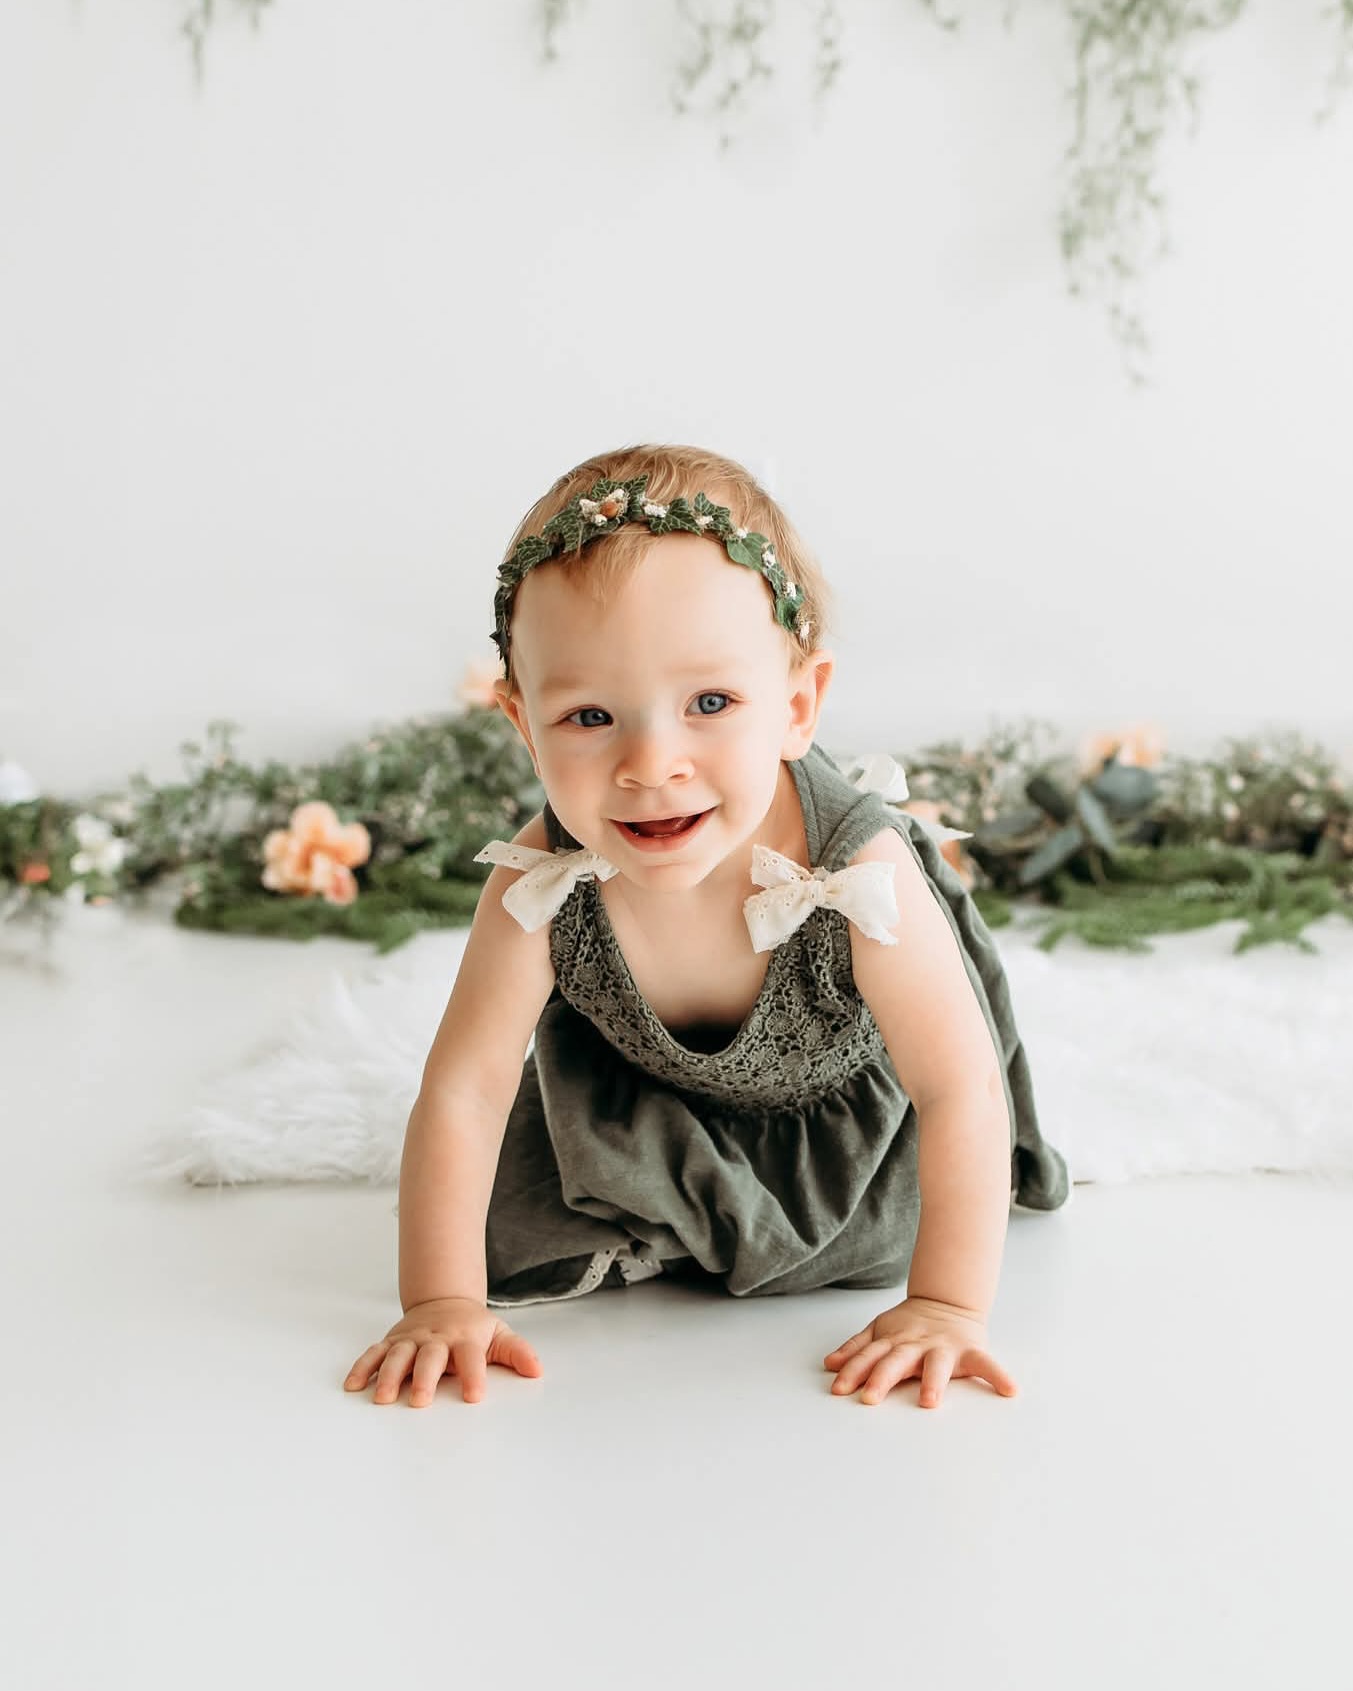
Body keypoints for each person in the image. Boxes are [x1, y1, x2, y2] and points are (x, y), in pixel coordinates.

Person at [344, 443, 1070, 1414]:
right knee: (520, 1225)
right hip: (648, 1103)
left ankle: (785, 1219)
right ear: (524, 723)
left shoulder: (848, 864)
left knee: (879, 1232)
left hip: (836, 1116)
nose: (651, 762)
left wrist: (946, 1304)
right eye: (590, 714)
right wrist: (439, 1298)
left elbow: (959, 1082)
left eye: (712, 703)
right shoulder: (549, 876)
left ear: (798, 704)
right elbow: (466, 1087)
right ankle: (668, 1198)